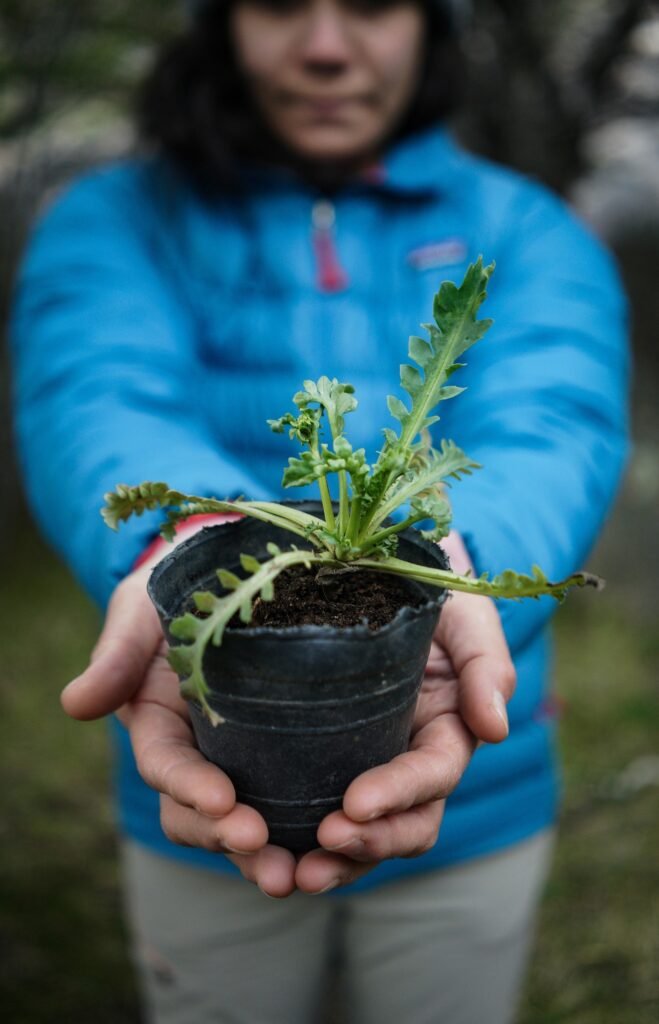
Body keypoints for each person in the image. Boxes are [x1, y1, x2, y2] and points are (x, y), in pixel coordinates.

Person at [10, 0, 629, 1021]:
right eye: (281, 4)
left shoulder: (525, 228)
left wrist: (452, 560)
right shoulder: (115, 218)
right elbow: (96, 397)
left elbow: (553, 428)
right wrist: (182, 540)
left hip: (477, 783)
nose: (327, 46)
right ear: (220, 23)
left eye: (374, 5)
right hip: (206, 775)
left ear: (433, 26)